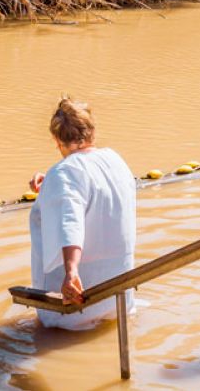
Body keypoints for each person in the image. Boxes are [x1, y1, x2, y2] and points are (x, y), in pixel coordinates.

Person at [28, 97, 136, 330]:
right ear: (92, 133)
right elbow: (95, 194)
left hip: (75, 303)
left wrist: (71, 272)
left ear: (57, 140)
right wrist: (50, 186)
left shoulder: (64, 172)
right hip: (118, 295)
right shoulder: (114, 160)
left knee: (52, 340)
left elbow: (70, 221)